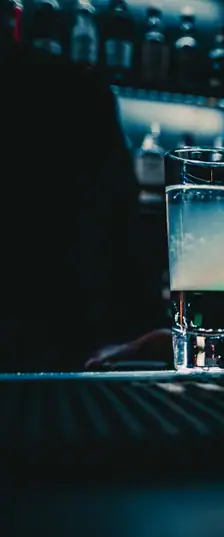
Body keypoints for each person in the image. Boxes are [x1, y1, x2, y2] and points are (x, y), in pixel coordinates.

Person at [1, 34, 170, 372]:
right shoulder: (72, 87)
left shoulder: (74, 87)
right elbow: (121, 238)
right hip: (59, 363)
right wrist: (145, 332)